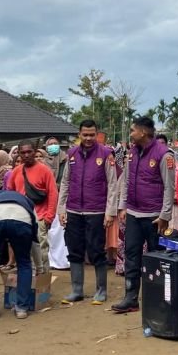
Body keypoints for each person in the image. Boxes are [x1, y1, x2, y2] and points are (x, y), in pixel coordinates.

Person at [112, 117, 175, 314]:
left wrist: (165, 215)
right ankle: (131, 298)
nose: (130, 134)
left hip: (154, 216)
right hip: (133, 213)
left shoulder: (164, 154)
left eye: (132, 130)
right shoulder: (131, 153)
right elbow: (127, 182)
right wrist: (123, 207)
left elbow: (169, 188)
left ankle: (158, 299)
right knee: (131, 256)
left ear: (143, 132)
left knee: (156, 258)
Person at [58, 120, 118, 306]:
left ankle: (101, 290)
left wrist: (110, 212)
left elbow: (113, 184)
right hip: (73, 210)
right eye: (85, 134)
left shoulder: (106, 154)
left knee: (96, 251)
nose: (88, 138)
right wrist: (61, 209)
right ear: (79, 134)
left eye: (92, 134)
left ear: (97, 134)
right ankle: (77, 290)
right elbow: (66, 182)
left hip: (96, 210)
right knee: (74, 250)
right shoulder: (71, 154)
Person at [0, 190, 37, 320]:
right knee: (24, 262)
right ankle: (22, 309)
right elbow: (34, 236)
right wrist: (40, 266)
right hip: (22, 220)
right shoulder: (26, 201)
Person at [6, 141, 58, 274]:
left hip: (40, 217)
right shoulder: (16, 171)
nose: (26, 155)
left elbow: (53, 193)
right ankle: (27, 282)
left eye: (29, 151)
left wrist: (48, 217)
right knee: (23, 252)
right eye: (23, 152)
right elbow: (10, 193)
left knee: (41, 252)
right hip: (21, 219)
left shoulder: (44, 170)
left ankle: (43, 284)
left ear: (34, 152)